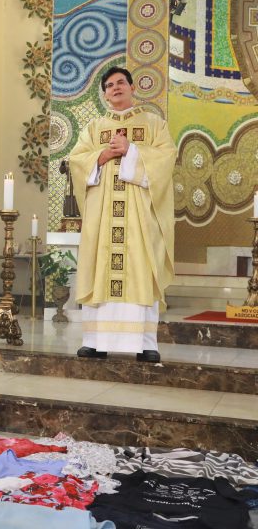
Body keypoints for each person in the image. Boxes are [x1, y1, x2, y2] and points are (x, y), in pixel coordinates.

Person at [68, 66, 176, 363]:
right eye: (109, 85)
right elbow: (77, 162)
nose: (115, 88)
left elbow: (166, 159)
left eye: (120, 83)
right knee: (101, 268)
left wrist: (132, 151)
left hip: (139, 218)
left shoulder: (154, 124)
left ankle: (145, 343)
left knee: (142, 269)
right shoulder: (94, 128)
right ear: (104, 94)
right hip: (103, 217)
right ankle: (95, 341)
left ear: (132, 88)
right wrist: (101, 156)